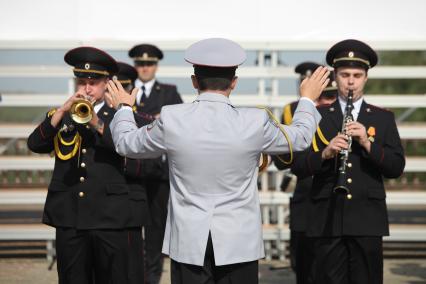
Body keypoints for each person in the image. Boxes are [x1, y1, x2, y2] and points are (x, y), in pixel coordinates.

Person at [108, 38, 328, 284]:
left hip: (189, 241)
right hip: (239, 242)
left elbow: (125, 144)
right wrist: (307, 99)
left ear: (194, 81)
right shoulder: (254, 121)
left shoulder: (172, 117)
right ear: (234, 82)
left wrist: (124, 108)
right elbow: (299, 139)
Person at [290, 39, 406, 284]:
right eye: (344, 74)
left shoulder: (382, 118)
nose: (351, 81)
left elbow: (396, 167)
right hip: (327, 218)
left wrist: (367, 143)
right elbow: (298, 167)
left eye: (357, 74)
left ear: (365, 77)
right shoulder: (317, 116)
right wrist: (325, 153)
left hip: (367, 219)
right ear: (335, 76)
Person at [27, 47, 146, 284]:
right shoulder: (63, 115)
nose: (87, 88)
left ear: (107, 84)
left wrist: (97, 122)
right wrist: (61, 111)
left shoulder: (124, 117)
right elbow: (36, 144)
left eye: (93, 82)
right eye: (81, 82)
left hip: (109, 218)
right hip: (71, 218)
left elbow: (134, 153)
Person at [273, 62, 337, 284]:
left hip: (331, 191)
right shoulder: (292, 109)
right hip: (305, 190)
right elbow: (282, 159)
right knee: (302, 260)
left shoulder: (341, 112)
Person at [128, 43, 183, 284]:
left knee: (155, 229)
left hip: (158, 173)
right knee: (129, 227)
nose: (145, 68)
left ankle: (152, 278)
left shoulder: (169, 93)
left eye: (149, 64)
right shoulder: (126, 89)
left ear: (156, 66)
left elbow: (180, 125)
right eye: (140, 63)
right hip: (131, 172)